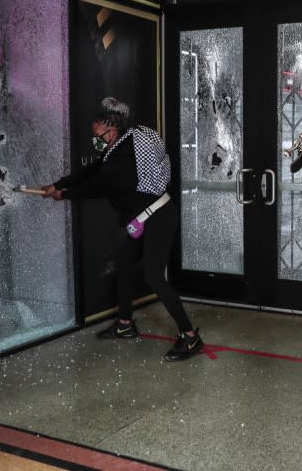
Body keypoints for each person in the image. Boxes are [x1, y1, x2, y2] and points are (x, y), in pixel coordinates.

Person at [42, 97, 203, 361]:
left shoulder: (123, 160)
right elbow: (92, 169)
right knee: (124, 263)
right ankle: (125, 325)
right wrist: (57, 183)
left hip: (159, 216)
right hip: (139, 219)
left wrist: (64, 194)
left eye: (98, 135)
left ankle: (190, 337)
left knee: (153, 275)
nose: (96, 140)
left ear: (111, 130)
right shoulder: (120, 143)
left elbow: (96, 187)